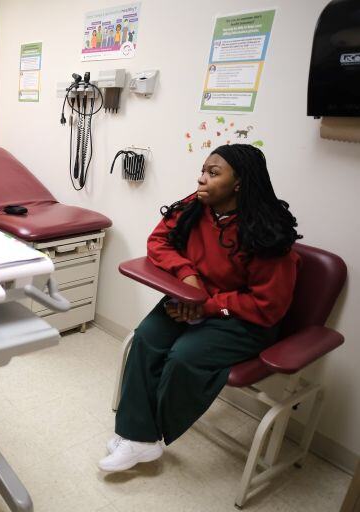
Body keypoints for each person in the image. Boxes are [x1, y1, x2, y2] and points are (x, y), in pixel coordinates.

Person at [99, 144, 301, 472]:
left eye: (213, 173)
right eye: (203, 170)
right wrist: (187, 276)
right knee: (146, 337)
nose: (201, 179)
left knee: (183, 357)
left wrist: (207, 307)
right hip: (191, 300)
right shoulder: (195, 207)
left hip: (242, 319)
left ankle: (147, 437)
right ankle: (137, 437)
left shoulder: (267, 233)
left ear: (239, 183)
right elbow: (158, 242)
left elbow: (268, 306)